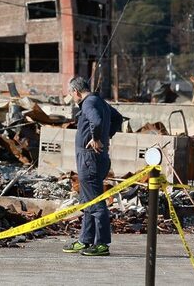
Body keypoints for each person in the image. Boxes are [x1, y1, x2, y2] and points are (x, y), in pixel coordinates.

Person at [62, 76, 121, 256]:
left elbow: (95, 121)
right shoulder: (99, 101)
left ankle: (102, 243)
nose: (72, 98)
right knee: (88, 200)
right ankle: (85, 240)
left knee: (95, 202)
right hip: (97, 158)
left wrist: (96, 139)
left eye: (71, 94)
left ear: (76, 92)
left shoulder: (88, 104)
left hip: (89, 159)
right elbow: (117, 118)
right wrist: (106, 136)